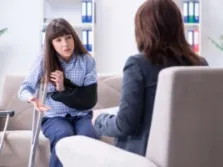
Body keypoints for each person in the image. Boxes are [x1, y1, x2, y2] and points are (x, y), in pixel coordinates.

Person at [92, 0, 208, 156]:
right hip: (191, 155)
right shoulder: (200, 64)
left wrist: (98, 120)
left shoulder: (138, 64)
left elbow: (125, 125)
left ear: (143, 29)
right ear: (178, 27)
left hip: (144, 158)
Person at [18, 18, 98, 167]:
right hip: (54, 117)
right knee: (63, 134)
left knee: (87, 136)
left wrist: (62, 88)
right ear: (51, 44)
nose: (65, 44)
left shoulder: (87, 61)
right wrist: (32, 98)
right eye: (58, 40)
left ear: (74, 37)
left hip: (81, 114)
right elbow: (24, 88)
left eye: (68, 38)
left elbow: (89, 97)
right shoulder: (44, 60)